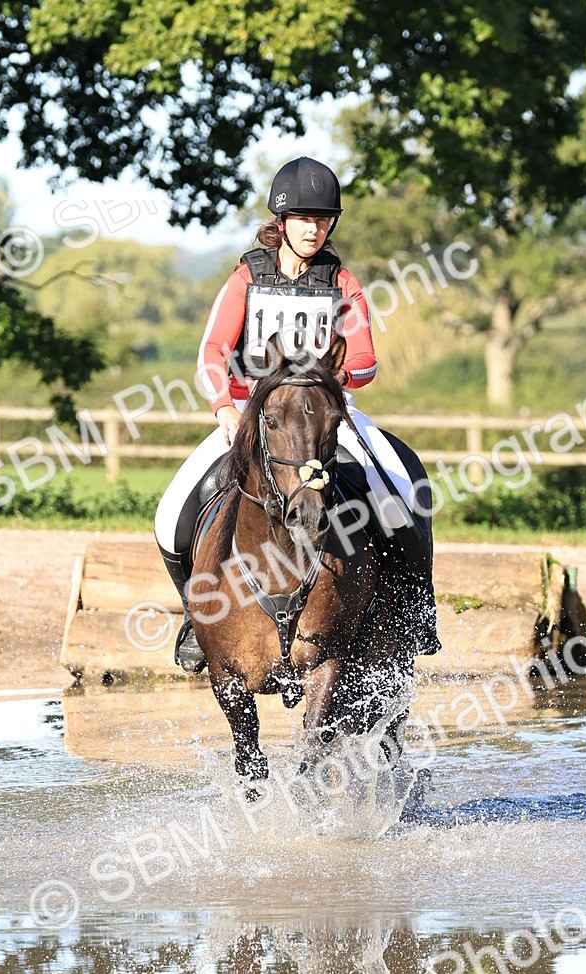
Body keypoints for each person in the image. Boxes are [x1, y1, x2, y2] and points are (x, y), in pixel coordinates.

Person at [154, 156, 432, 673]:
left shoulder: (342, 282)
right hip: (251, 415)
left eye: (323, 220)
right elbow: (212, 351)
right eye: (305, 219)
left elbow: (366, 359)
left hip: (325, 415)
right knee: (171, 515)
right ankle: (198, 620)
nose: (315, 228)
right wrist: (224, 409)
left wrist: (325, 389)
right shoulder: (246, 278)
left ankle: (415, 611)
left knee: (398, 489)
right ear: (281, 223)